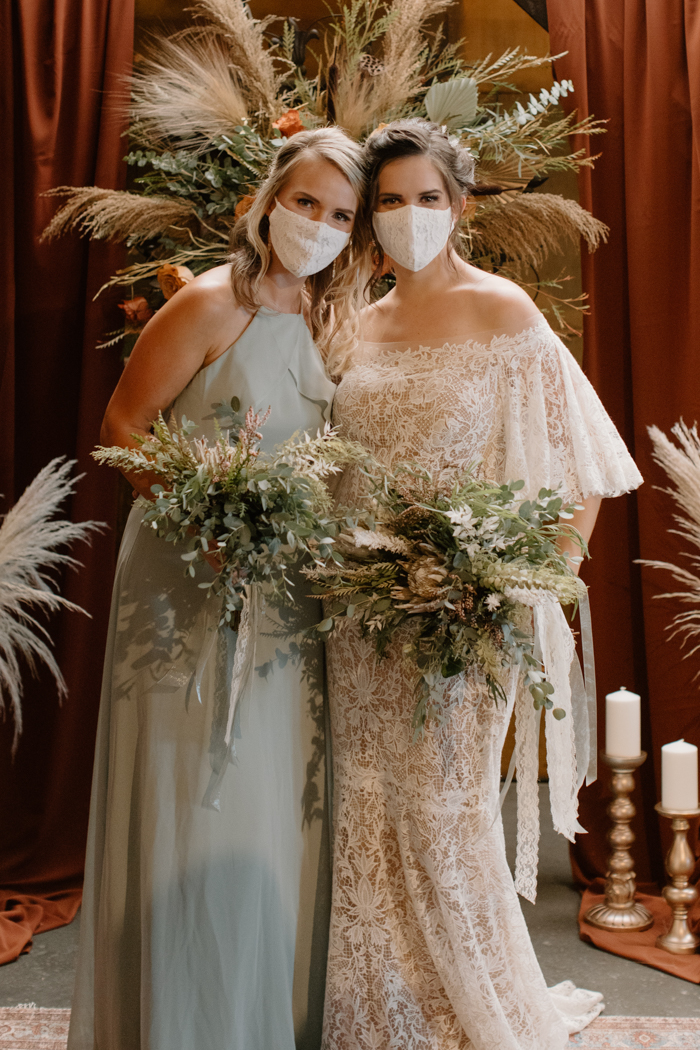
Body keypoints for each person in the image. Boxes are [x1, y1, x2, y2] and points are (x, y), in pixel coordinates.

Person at [322, 119, 642, 1050]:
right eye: (389, 201)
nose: (408, 216)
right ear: (368, 218)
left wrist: (526, 582)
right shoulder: (357, 321)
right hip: (360, 611)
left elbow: (585, 468)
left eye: (427, 198)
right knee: (365, 805)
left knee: (446, 805)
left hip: (467, 611)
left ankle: (469, 1004)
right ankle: (379, 1008)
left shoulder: (505, 312)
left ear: (459, 207)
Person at [68, 127, 366, 1050]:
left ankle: (268, 1019)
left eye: (340, 215)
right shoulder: (206, 303)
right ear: (271, 198)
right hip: (186, 581)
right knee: (198, 800)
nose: (317, 225)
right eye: (306, 202)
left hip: (289, 591)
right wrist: (209, 520)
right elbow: (122, 428)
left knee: (277, 805)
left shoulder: (330, 315)